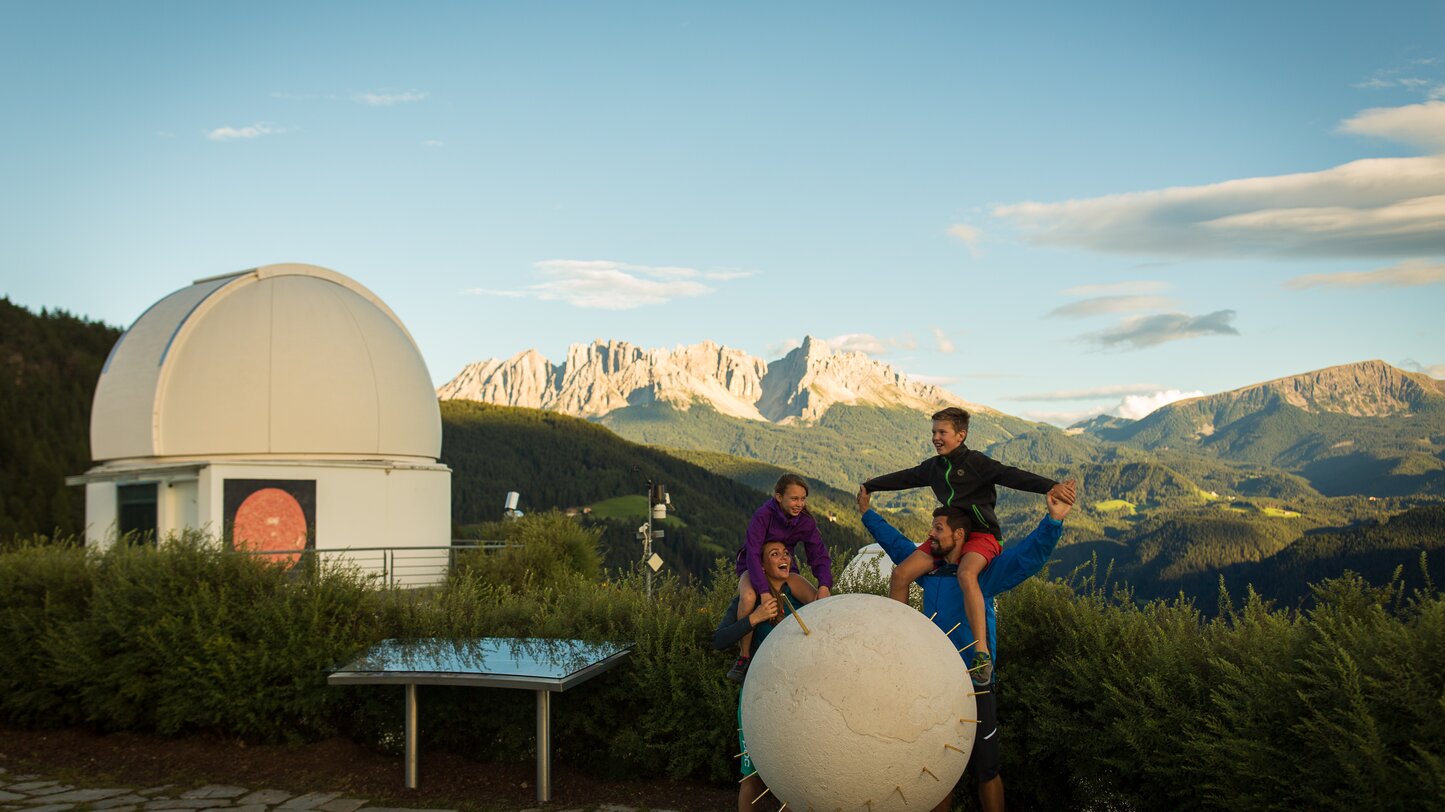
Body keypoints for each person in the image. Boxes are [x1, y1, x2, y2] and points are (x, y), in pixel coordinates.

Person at [856, 481, 1076, 812]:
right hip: (932, 685)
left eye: (938, 529)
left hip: (976, 684)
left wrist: (1054, 520)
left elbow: (1028, 557)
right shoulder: (929, 568)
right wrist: (867, 513)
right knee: (937, 772)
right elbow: (895, 543)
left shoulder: (983, 574)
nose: (931, 535)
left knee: (986, 769)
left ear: (959, 536)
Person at [862, 407, 1072, 685]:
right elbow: (904, 477)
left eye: (942, 432)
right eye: (934, 432)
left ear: (961, 436)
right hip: (948, 536)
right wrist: (870, 486)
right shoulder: (933, 468)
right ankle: (896, 639)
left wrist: (1051, 486)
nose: (936, 437)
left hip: (981, 535)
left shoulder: (976, 463)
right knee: (901, 574)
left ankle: (981, 652)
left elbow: (1011, 475)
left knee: (966, 574)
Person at [714, 538, 815, 812]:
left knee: (801, 775)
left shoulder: (797, 594)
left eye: (786, 552)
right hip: (757, 698)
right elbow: (719, 640)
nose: (784, 557)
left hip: (798, 699)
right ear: (760, 565)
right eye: (774, 553)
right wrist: (754, 618)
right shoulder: (746, 601)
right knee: (752, 778)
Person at [727, 474, 833, 682]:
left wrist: (824, 584)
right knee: (749, 597)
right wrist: (764, 592)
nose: (799, 504)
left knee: (818, 600)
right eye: (794, 499)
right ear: (778, 497)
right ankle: (744, 658)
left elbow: (818, 554)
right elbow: (754, 554)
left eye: (803, 499)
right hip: (752, 566)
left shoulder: (805, 521)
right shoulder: (763, 516)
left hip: (783, 566)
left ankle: (817, 650)